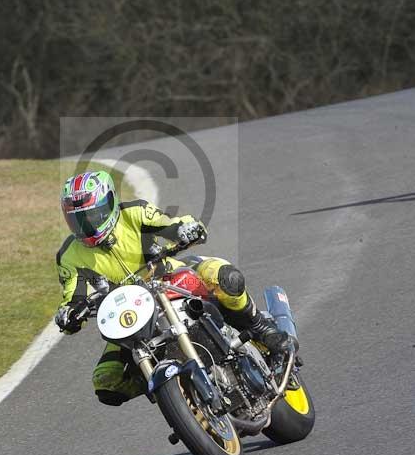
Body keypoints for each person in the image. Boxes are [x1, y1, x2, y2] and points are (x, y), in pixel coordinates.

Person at [55, 170, 289, 406]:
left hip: (168, 279)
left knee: (225, 277)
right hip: (130, 315)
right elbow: (73, 297)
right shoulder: (70, 256)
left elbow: (169, 224)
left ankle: (261, 328)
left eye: (93, 215)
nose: (87, 224)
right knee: (107, 381)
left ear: (111, 203)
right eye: (78, 219)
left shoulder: (134, 213)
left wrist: (185, 229)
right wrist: (69, 314)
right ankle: (171, 391)